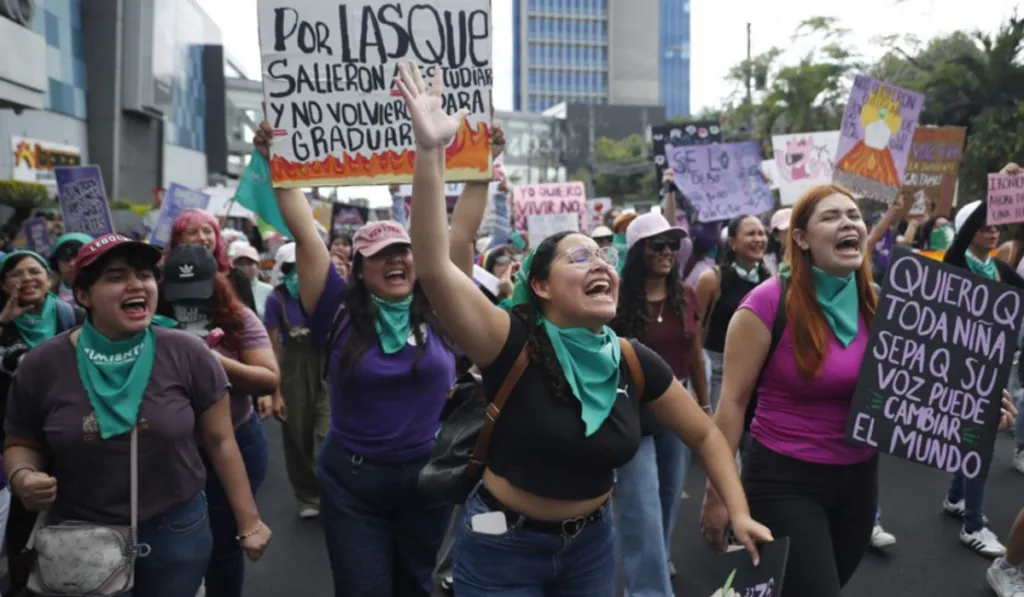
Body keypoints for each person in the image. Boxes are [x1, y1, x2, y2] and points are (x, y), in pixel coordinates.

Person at [395, 61, 769, 596]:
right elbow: (433, 265)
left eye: (603, 256)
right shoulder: (508, 339)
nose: (600, 263)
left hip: (591, 547)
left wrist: (738, 509)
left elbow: (707, 432)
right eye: (578, 257)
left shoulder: (633, 359)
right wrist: (430, 151)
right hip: (501, 542)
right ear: (541, 286)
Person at [4, 234, 271, 597]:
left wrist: (249, 521)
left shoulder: (188, 353)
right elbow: (21, 442)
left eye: (144, 275)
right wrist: (22, 477)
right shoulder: (41, 365)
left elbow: (220, 441)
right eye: (115, 276)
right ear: (83, 296)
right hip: (79, 537)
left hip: (176, 536)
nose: (136, 284)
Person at [254, 128, 457, 597]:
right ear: (360, 270)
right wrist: (279, 165)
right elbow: (307, 237)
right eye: (379, 255)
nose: (395, 260)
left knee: (419, 587)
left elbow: (456, 235)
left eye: (402, 251)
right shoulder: (335, 312)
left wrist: (482, 172)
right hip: (353, 482)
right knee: (363, 589)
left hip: (428, 478)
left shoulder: (445, 308)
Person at [160, 244, 279, 597]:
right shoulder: (147, 317)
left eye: (197, 291)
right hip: (170, 450)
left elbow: (268, 378)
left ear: (216, 282)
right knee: (171, 544)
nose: (188, 302)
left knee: (224, 543)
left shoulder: (238, 317)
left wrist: (209, 359)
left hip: (235, 440)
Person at [609, 212, 708, 595]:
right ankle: (649, 588)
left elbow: (696, 354)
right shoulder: (615, 300)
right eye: (658, 244)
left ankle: (659, 556)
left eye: (673, 244)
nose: (669, 251)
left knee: (669, 495)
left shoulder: (686, 294)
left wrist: (704, 407)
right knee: (641, 508)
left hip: (678, 409)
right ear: (637, 251)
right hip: (632, 414)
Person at [0, 250, 85, 593]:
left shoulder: (73, 316)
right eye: (16, 273)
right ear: (5, 284)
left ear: (49, 278)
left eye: (34, 271)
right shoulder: (3, 321)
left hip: (68, 431)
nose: (26, 278)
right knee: (23, 514)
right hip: (16, 435)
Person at [263, 242, 329, 519]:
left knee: (328, 434)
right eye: (292, 268)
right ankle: (307, 495)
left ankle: (334, 491)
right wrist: (274, 392)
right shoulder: (276, 299)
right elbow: (271, 347)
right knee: (297, 437)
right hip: (291, 370)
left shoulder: (326, 294)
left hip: (325, 367)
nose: (298, 274)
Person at [695, 215, 771, 413]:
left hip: (758, 371)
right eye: (751, 234)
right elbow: (695, 332)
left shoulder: (769, 280)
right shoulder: (712, 279)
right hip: (719, 371)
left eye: (762, 233)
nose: (758, 239)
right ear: (732, 242)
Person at [169, 210, 257, 314]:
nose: (202, 238)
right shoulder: (166, 277)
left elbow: (251, 324)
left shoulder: (236, 278)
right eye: (193, 232)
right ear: (179, 239)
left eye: (207, 231)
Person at [230, 242, 274, 318]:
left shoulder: (269, 291)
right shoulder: (228, 289)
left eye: (249, 263)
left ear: (258, 267)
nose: (245, 268)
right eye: (240, 264)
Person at [48, 232, 93, 304]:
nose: (72, 264)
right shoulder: (47, 297)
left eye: (78, 258)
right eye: (65, 259)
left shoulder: (106, 290)